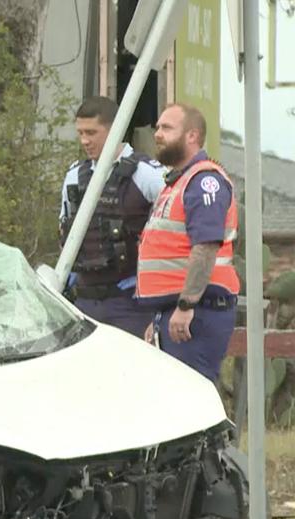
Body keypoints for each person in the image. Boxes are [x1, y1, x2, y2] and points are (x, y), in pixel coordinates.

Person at [136, 104, 240, 381]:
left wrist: (185, 306)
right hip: (178, 311)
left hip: (197, 310)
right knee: (175, 406)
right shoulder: (176, 183)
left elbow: (205, 247)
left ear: (192, 136)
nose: (157, 134)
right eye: (157, 127)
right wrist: (160, 318)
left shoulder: (204, 181)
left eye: (167, 128)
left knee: (193, 404)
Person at [59, 96, 165, 337]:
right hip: (84, 303)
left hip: (130, 303)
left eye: (91, 132)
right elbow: (65, 232)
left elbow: (173, 230)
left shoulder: (147, 174)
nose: (84, 140)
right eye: (80, 133)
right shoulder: (74, 176)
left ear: (115, 128)